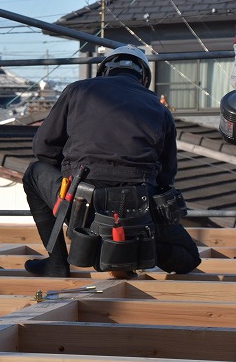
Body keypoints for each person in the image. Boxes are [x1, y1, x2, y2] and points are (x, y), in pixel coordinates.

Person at [22, 44, 201, 278]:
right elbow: (166, 177)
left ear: (104, 69)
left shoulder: (78, 90)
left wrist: (69, 174)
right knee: (188, 258)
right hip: (139, 209)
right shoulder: (160, 109)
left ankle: (58, 263)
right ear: (143, 77)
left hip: (82, 203)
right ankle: (133, 247)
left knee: (35, 173)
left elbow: (43, 148)